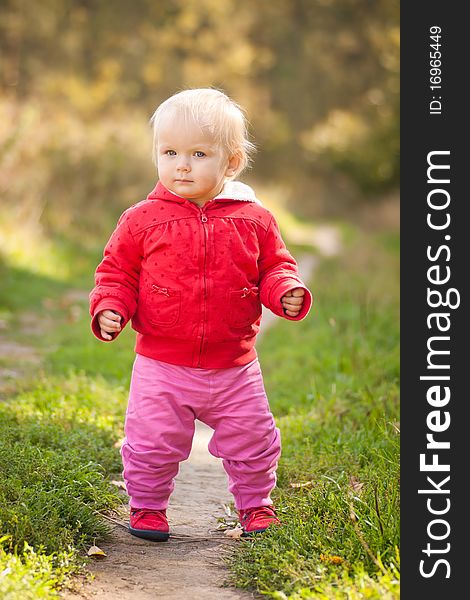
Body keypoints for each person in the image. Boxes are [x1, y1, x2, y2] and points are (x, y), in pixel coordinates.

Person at [89, 88, 313, 541]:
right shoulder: (140, 219)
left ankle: (255, 506)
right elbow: (116, 273)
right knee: (152, 441)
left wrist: (286, 290)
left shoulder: (254, 218)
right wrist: (110, 307)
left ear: (231, 162)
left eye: (197, 153)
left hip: (234, 366)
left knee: (253, 440)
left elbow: (274, 266)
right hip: (161, 364)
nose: (181, 165)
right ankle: (148, 507)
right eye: (169, 152)